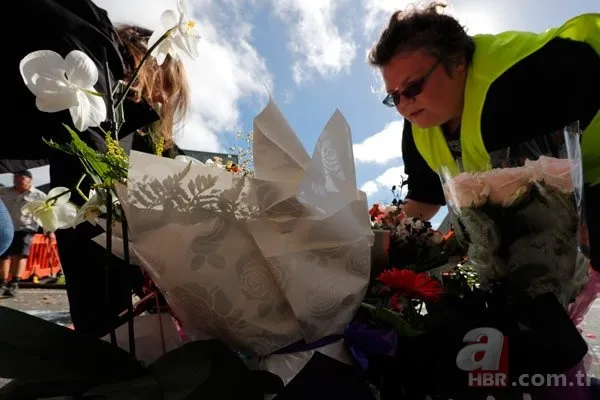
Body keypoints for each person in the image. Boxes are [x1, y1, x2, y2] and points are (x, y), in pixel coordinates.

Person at [368, 3, 600, 272]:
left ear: (457, 62)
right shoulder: (419, 125)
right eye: (394, 96)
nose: (405, 105)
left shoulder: (515, 85)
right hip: (559, 189)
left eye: (413, 87)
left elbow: (548, 215)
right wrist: (369, 235)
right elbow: (424, 198)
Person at [7, 0, 190, 336]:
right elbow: (88, 200)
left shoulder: (96, 63)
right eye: (168, 88)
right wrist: (109, 328)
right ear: (150, 67)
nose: (165, 102)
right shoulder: (96, 63)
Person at [0, 171, 47, 296]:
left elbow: (45, 214)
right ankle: (2, 283)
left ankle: (14, 283)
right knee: (3, 255)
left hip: (26, 228)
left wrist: (48, 230)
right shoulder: (4, 191)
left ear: (29, 180)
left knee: (20, 255)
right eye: (15, 178)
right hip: (6, 228)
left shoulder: (39, 196)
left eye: (20, 179)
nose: (16, 180)